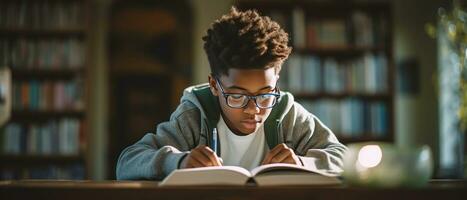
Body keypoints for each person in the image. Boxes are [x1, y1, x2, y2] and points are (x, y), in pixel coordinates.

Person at [116, 7, 346, 180]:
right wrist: (179, 160)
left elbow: (344, 159)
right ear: (215, 86)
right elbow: (127, 162)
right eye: (237, 96)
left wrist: (303, 163)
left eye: (265, 95)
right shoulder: (195, 114)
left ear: (276, 83)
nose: (254, 110)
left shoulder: (288, 114)